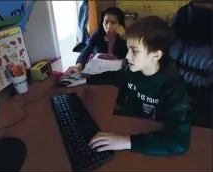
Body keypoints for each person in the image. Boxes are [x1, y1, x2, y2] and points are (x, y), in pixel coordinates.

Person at [60, 16, 191, 155]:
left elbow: (179, 142)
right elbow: (115, 75)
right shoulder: (132, 71)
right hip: (133, 125)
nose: (128, 56)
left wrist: (125, 141)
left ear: (156, 55)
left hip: (152, 139)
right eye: (128, 49)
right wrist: (85, 80)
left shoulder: (174, 88)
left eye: (135, 51)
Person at [64, 7, 128, 78]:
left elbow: (126, 55)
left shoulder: (125, 35)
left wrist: (124, 37)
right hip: (97, 73)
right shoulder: (98, 34)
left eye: (113, 23)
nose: (108, 27)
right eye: (106, 22)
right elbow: (86, 51)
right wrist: (78, 66)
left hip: (116, 75)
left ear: (120, 24)